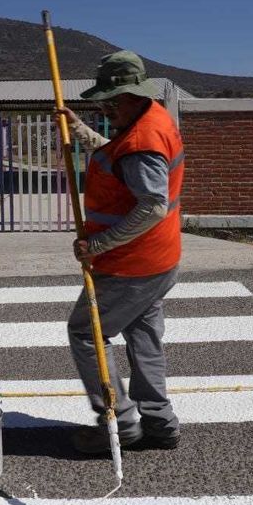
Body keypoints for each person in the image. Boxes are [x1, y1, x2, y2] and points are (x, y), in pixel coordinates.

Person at [55, 50, 185, 454]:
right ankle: (160, 423)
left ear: (130, 95)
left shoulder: (142, 141)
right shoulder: (151, 120)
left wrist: (97, 244)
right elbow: (113, 154)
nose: (105, 109)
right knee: (144, 335)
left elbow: (152, 205)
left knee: (85, 332)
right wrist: (77, 130)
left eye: (110, 102)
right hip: (157, 260)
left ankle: (120, 422)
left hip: (132, 265)